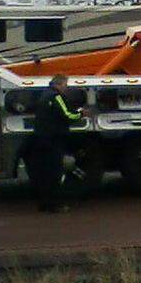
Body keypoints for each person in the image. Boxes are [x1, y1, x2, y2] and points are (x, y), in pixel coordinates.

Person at [27, 74, 87, 212]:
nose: (66, 88)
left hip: (41, 137)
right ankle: (54, 205)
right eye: (65, 85)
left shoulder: (44, 95)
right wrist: (81, 113)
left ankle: (44, 203)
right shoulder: (56, 97)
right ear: (59, 84)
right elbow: (68, 115)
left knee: (44, 172)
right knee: (55, 173)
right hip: (53, 139)